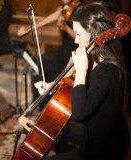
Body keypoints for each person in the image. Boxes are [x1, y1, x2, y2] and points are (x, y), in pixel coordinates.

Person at [19, 2, 130, 160]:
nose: (76, 40)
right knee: (56, 133)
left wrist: (81, 71)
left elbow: (79, 113)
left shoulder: (108, 71)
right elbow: (78, 91)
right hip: (92, 129)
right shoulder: (93, 57)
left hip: (103, 147)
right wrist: (51, 87)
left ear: (93, 34)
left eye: (78, 34)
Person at [17, 0, 79, 104]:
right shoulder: (63, 9)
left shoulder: (79, 10)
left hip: (74, 53)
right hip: (63, 50)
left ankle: (54, 104)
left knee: (58, 75)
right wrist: (28, 30)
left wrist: (66, 27)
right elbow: (45, 21)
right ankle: (38, 103)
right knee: (38, 64)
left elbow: (79, 38)